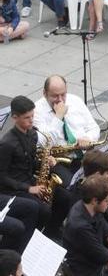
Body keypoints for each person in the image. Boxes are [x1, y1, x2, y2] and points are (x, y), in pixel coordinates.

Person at [0, 96, 69, 240]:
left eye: (33, 116)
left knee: (64, 197)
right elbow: (2, 176)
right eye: (27, 118)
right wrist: (28, 188)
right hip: (15, 188)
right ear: (14, 117)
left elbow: (29, 163)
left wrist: (45, 162)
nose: (31, 120)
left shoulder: (32, 134)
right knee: (43, 210)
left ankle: (50, 232)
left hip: (31, 181)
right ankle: (30, 239)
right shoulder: (7, 144)